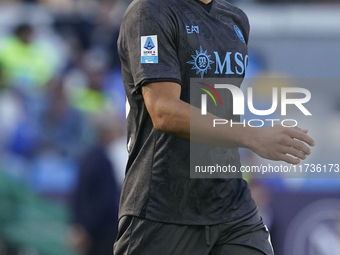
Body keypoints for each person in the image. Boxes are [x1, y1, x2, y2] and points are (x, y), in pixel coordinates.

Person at [114, 0, 315, 254]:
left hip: (231, 205)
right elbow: (163, 111)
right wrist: (254, 137)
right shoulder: (150, 11)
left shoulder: (235, 19)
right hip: (162, 207)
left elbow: (222, 109)